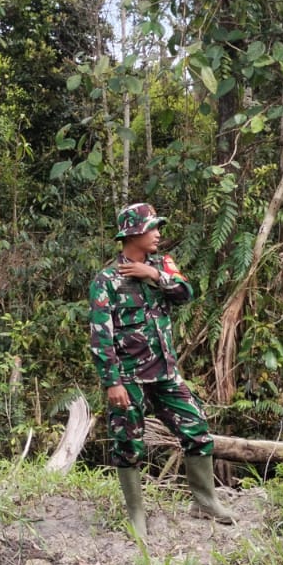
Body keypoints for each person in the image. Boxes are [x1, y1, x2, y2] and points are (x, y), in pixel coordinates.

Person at [89, 203, 235, 538]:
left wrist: (153, 276)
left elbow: (186, 293)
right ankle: (136, 515)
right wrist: (112, 382)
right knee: (128, 443)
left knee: (196, 428)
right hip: (128, 378)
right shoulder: (106, 280)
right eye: (152, 228)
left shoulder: (162, 267)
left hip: (165, 373)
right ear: (133, 233)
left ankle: (204, 501)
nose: (158, 234)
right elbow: (101, 335)